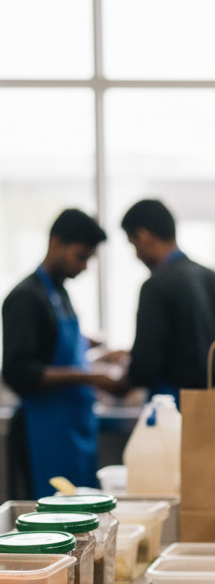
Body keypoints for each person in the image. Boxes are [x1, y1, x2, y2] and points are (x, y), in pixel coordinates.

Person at [2, 209, 124, 498]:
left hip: (73, 430)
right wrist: (91, 377)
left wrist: (91, 346)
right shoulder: (26, 297)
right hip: (43, 433)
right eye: (81, 257)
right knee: (51, 513)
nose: (84, 267)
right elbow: (19, 371)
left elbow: (52, 342)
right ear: (56, 243)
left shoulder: (59, 294)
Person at [120, 199, 215, 399]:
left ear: (143, 235)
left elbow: (145, 368)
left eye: (134, 245)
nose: (137, 255)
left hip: (172, 407)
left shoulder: (156, 286)